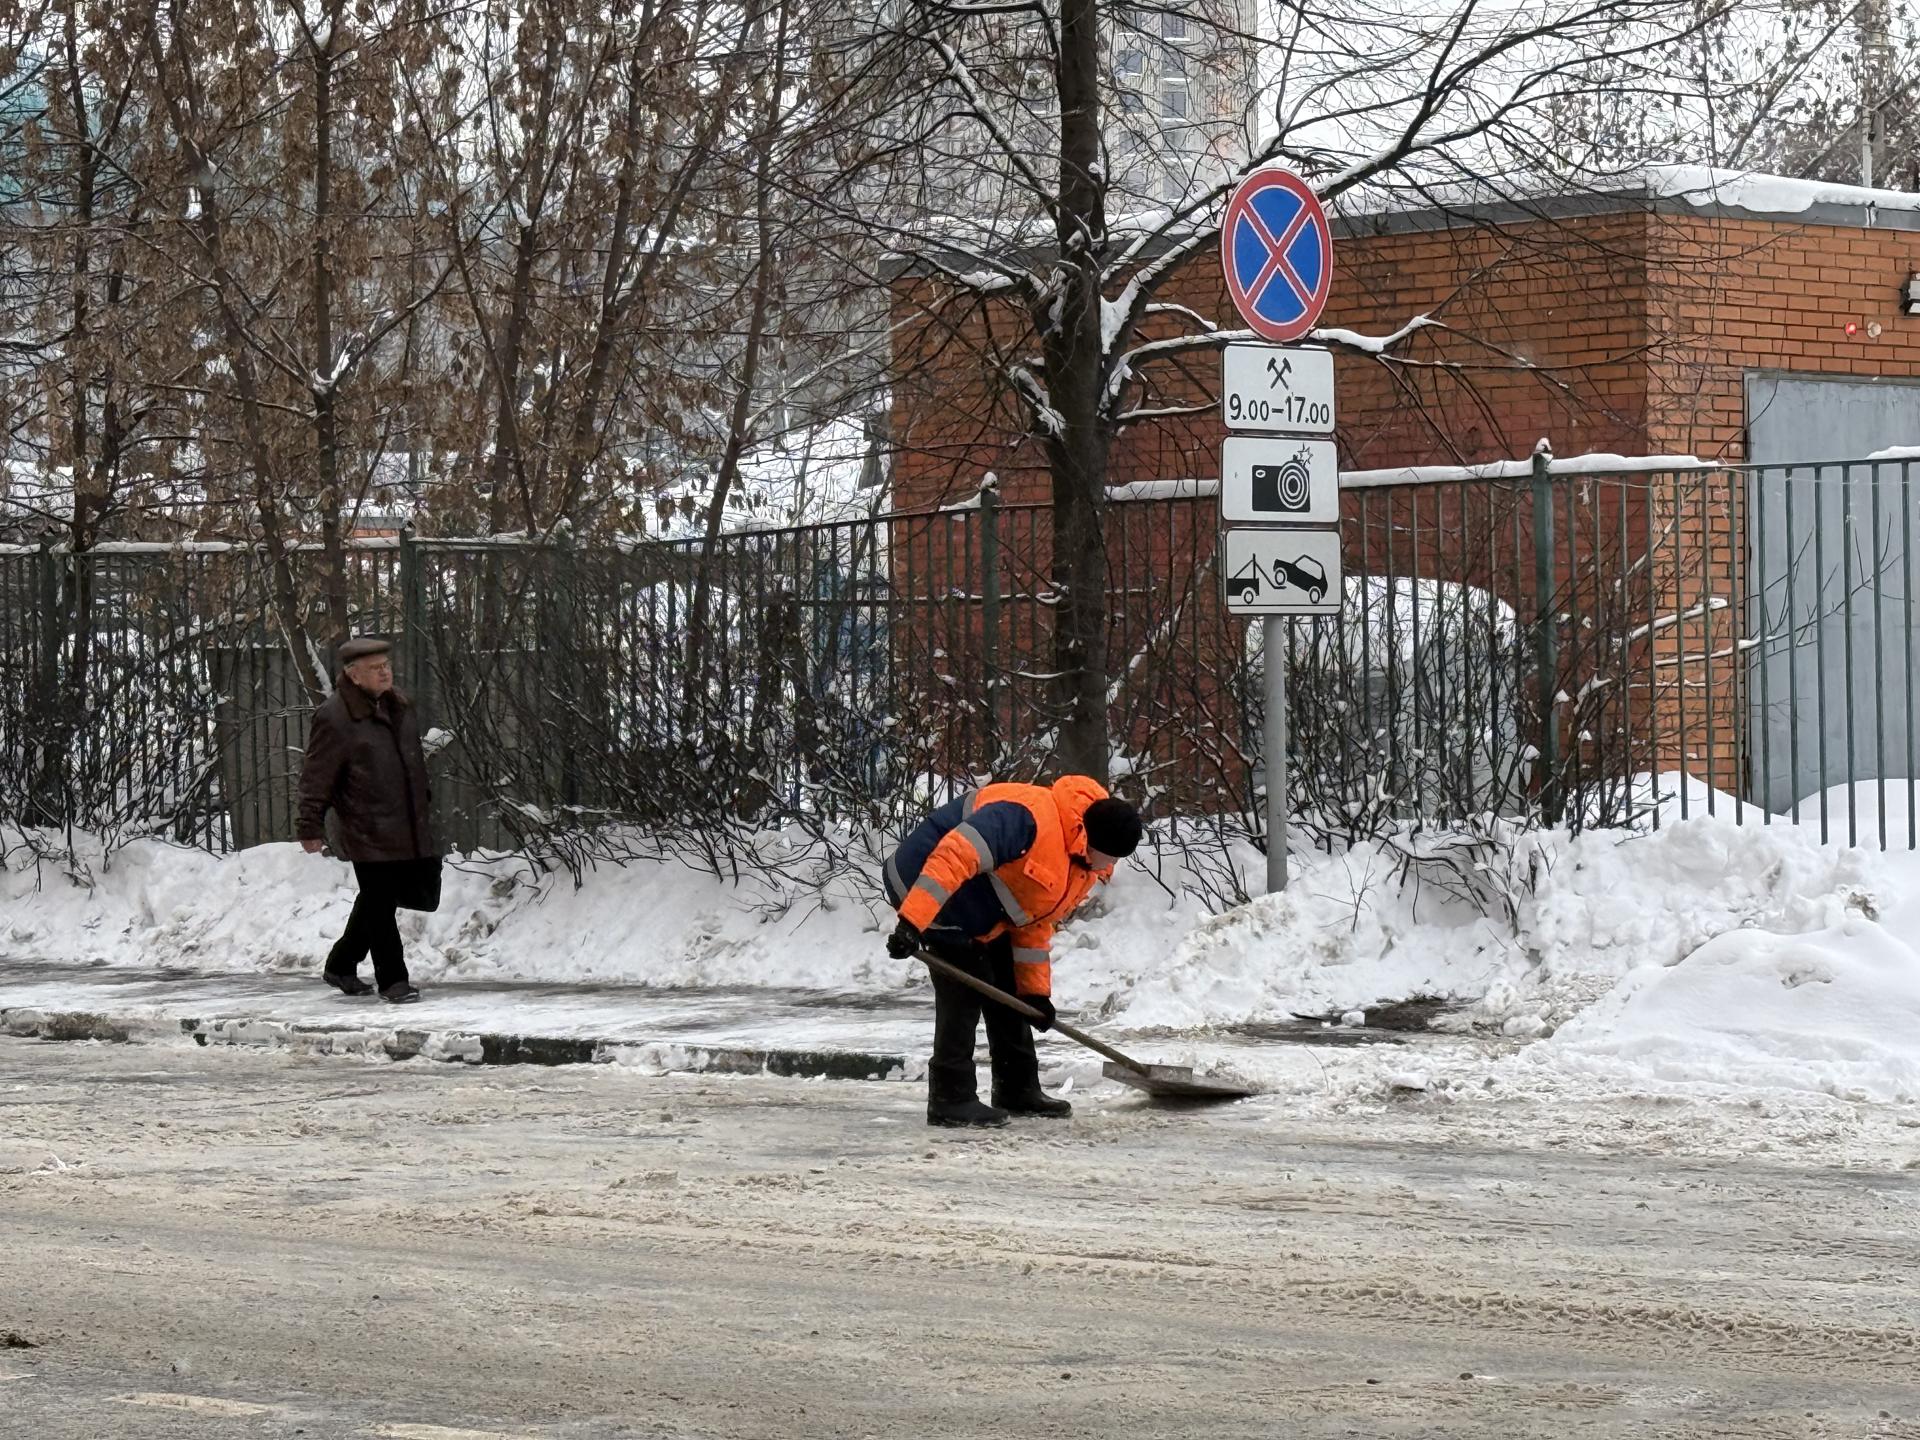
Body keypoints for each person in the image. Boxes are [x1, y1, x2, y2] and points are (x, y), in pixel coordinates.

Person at [882, 777, 1143, 1128]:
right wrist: (912, 923)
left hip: (980, 893)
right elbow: (953, 856)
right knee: (968, 983)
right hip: (922, 878)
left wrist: (1035, 995)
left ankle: (1016, 1088)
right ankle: (950, 1098)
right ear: (1089, 836)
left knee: (1009, 987)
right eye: (1108, 856)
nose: (1107, 866)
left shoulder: (1083, 863)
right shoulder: (1027, 820)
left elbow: (1034, 919)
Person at [296, 637, 439, 1004]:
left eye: (386, 665)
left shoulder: (398, 707)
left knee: (380, 899)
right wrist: (309, 825)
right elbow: (317, 775)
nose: (385, 672)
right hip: (366, 825)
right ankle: (393, 981)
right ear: (353, 675)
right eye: (376, 668)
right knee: (379, 902)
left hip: (406, 821)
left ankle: (341, 964)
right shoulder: (336, 717)